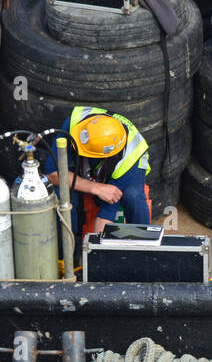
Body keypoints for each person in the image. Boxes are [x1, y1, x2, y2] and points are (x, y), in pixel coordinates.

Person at [45, 107, 151, 258]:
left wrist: (94, 256)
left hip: (124, 165)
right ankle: (68, 256)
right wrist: (96, 187)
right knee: (64, 197)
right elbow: (52, 174)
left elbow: (106, 213)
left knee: (133, 196)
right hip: (91, 164)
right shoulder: (75, 123)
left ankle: (143, 252)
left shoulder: (130, 158)